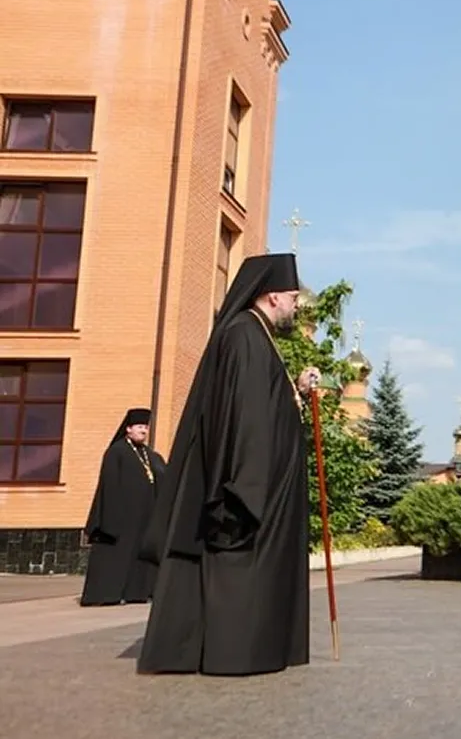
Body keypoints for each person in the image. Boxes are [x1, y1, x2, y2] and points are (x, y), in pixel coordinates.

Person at [136, 253, 321, 676]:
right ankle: (235, 654)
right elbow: (244, 417)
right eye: (292, 298)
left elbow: (263, 405)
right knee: (239, 571)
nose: (296, 306)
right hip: (251, 490)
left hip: (263, 485)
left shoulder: (257, 336)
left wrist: (295, 388)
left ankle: (257, 649)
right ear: (273, 296)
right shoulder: (244, 336)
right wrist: (246, 486)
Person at [80, 408, 167, 606]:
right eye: (139, 427)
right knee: (116, 556)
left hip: (145, 516)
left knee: (140, 556)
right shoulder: (116, 452)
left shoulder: (150, 455)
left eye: (145, 427)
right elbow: (109, 485)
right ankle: (106, 594)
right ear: (128, 429)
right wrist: (112, 517)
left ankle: (136, 592)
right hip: (121, 516)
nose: (144, 431)